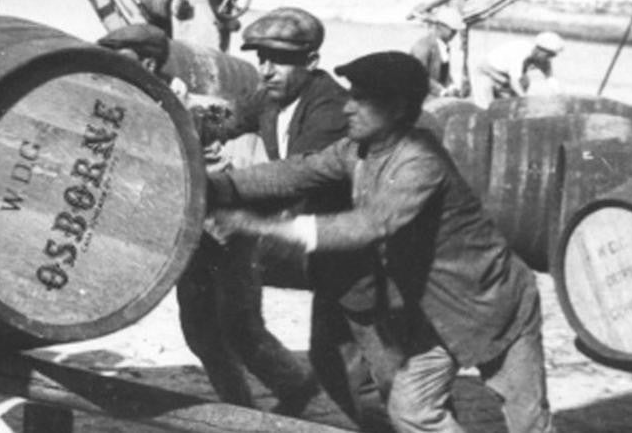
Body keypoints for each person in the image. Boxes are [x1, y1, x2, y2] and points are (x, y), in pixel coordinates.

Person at [209, 51, 553, 433]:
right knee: (412, 411)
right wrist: (215, 186)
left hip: (496, 303)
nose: (348, 108)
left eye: (361, 99)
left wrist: (259, 226)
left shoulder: (419, 160)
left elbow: (368, 225)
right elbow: (294, 172)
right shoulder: (358, 150)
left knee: (528, 422)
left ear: (397, 108)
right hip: (435, 314)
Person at [177, 7, 352, 416]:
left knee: (350, 371)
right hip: (281, 223)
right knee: (205, 324)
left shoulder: (329, 111)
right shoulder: (273, 97)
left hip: (335, 239)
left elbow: (290, 182)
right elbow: (229, 119)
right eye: (261, 58)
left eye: (279, 60)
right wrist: (186, 118)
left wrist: (220, 196)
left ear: (311, 62)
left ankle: (297, 393)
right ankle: (252, 407)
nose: (267, 69)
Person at [476, 31, 564, 104]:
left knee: (524, 82)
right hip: (487, 71)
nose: (550, 59)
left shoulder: (543, 59)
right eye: (549, 55)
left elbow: (551, 79)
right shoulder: (520, 52)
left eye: (553, 56)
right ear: (539, 50)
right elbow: (514, 82)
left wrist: (559, 96)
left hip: (506, 77)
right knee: (487, 104)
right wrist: (525, 100)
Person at [409, 6, 464, 97]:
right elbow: (419, 77)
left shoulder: (443, 46)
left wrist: (452, 87)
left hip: (435, 94)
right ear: (441, 26)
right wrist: (441, 91)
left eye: (456, 31)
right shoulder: (423, 46)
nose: (454, 34)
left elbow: (444, 73)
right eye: (452, 30)